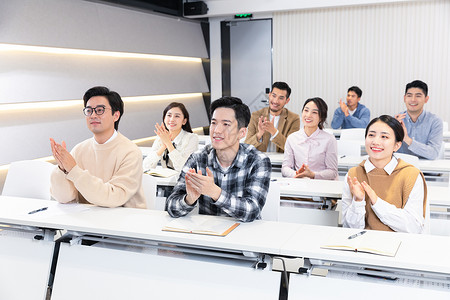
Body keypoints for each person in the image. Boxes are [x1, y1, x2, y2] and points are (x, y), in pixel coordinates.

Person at [166, 97, 271, 222]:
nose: (217, 130)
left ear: (242, 133)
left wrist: (215, 192)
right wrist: (189, 199)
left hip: (245, 235)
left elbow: (252, 210)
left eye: (226, 124)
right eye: (214, 123)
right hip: (209, 234)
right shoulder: (198, 158)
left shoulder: (258, 161)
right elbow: (170, 206)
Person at [50, 86, 145, 208]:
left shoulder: (130, 151)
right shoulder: (79, 150)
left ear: (115, 116)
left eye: (100, 110)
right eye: (89, 110)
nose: (93, 115)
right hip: (88, 220)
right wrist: (62, 169)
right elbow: (65, 198)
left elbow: (113, 198)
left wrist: (73, 170)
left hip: (124, 220)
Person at [342, 115, 427, 233]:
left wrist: (377, 202)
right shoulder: (353, 175)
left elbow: (414, 227)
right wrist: (358, 201)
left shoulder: (411, 176)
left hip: (398, 246)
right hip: (361, 246)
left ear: (397, 145)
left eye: (384, 137)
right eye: (371, 135)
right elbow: (348, 229)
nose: (376, 142)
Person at [282, 97, 338, 180]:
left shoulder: (329, 139)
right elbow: (285, 168)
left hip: (322, 184)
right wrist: (297, 174)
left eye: (314, 112)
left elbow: (332, 172)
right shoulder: (292, 138)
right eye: (306, 110)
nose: (308, 115)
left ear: (321, 118)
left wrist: (313, 174)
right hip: (299, 183)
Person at [245, 82, 300, 152]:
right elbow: (246, 146)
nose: (275, 101)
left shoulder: (294, 118)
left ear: (287, 101)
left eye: (281, 98)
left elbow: (292, 147)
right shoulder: (256, 115)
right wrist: (259, 134)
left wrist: (274, 131)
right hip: (260, 160)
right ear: (269, 95)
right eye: (274, 96)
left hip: (281, 161)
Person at [395, 80, 443, 160]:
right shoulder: (396, 120)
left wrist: (407, 139)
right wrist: (393, 128)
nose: (413, 99)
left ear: (426, 99)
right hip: (402, 170)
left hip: (427, 171)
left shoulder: (435, 121)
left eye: (418, 96)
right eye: (409, 95)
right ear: (404, 98)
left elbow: (433, 153)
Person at [143, 102, 198, 172]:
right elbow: (146, 166)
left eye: (177, 116)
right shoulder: (161, 137)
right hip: (164, 181)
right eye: (169, 115)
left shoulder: (192, 138)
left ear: (184, 121)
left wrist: (168, 143)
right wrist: (163, 147)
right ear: (164, 119)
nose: (172, 119)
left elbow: (184, 168)